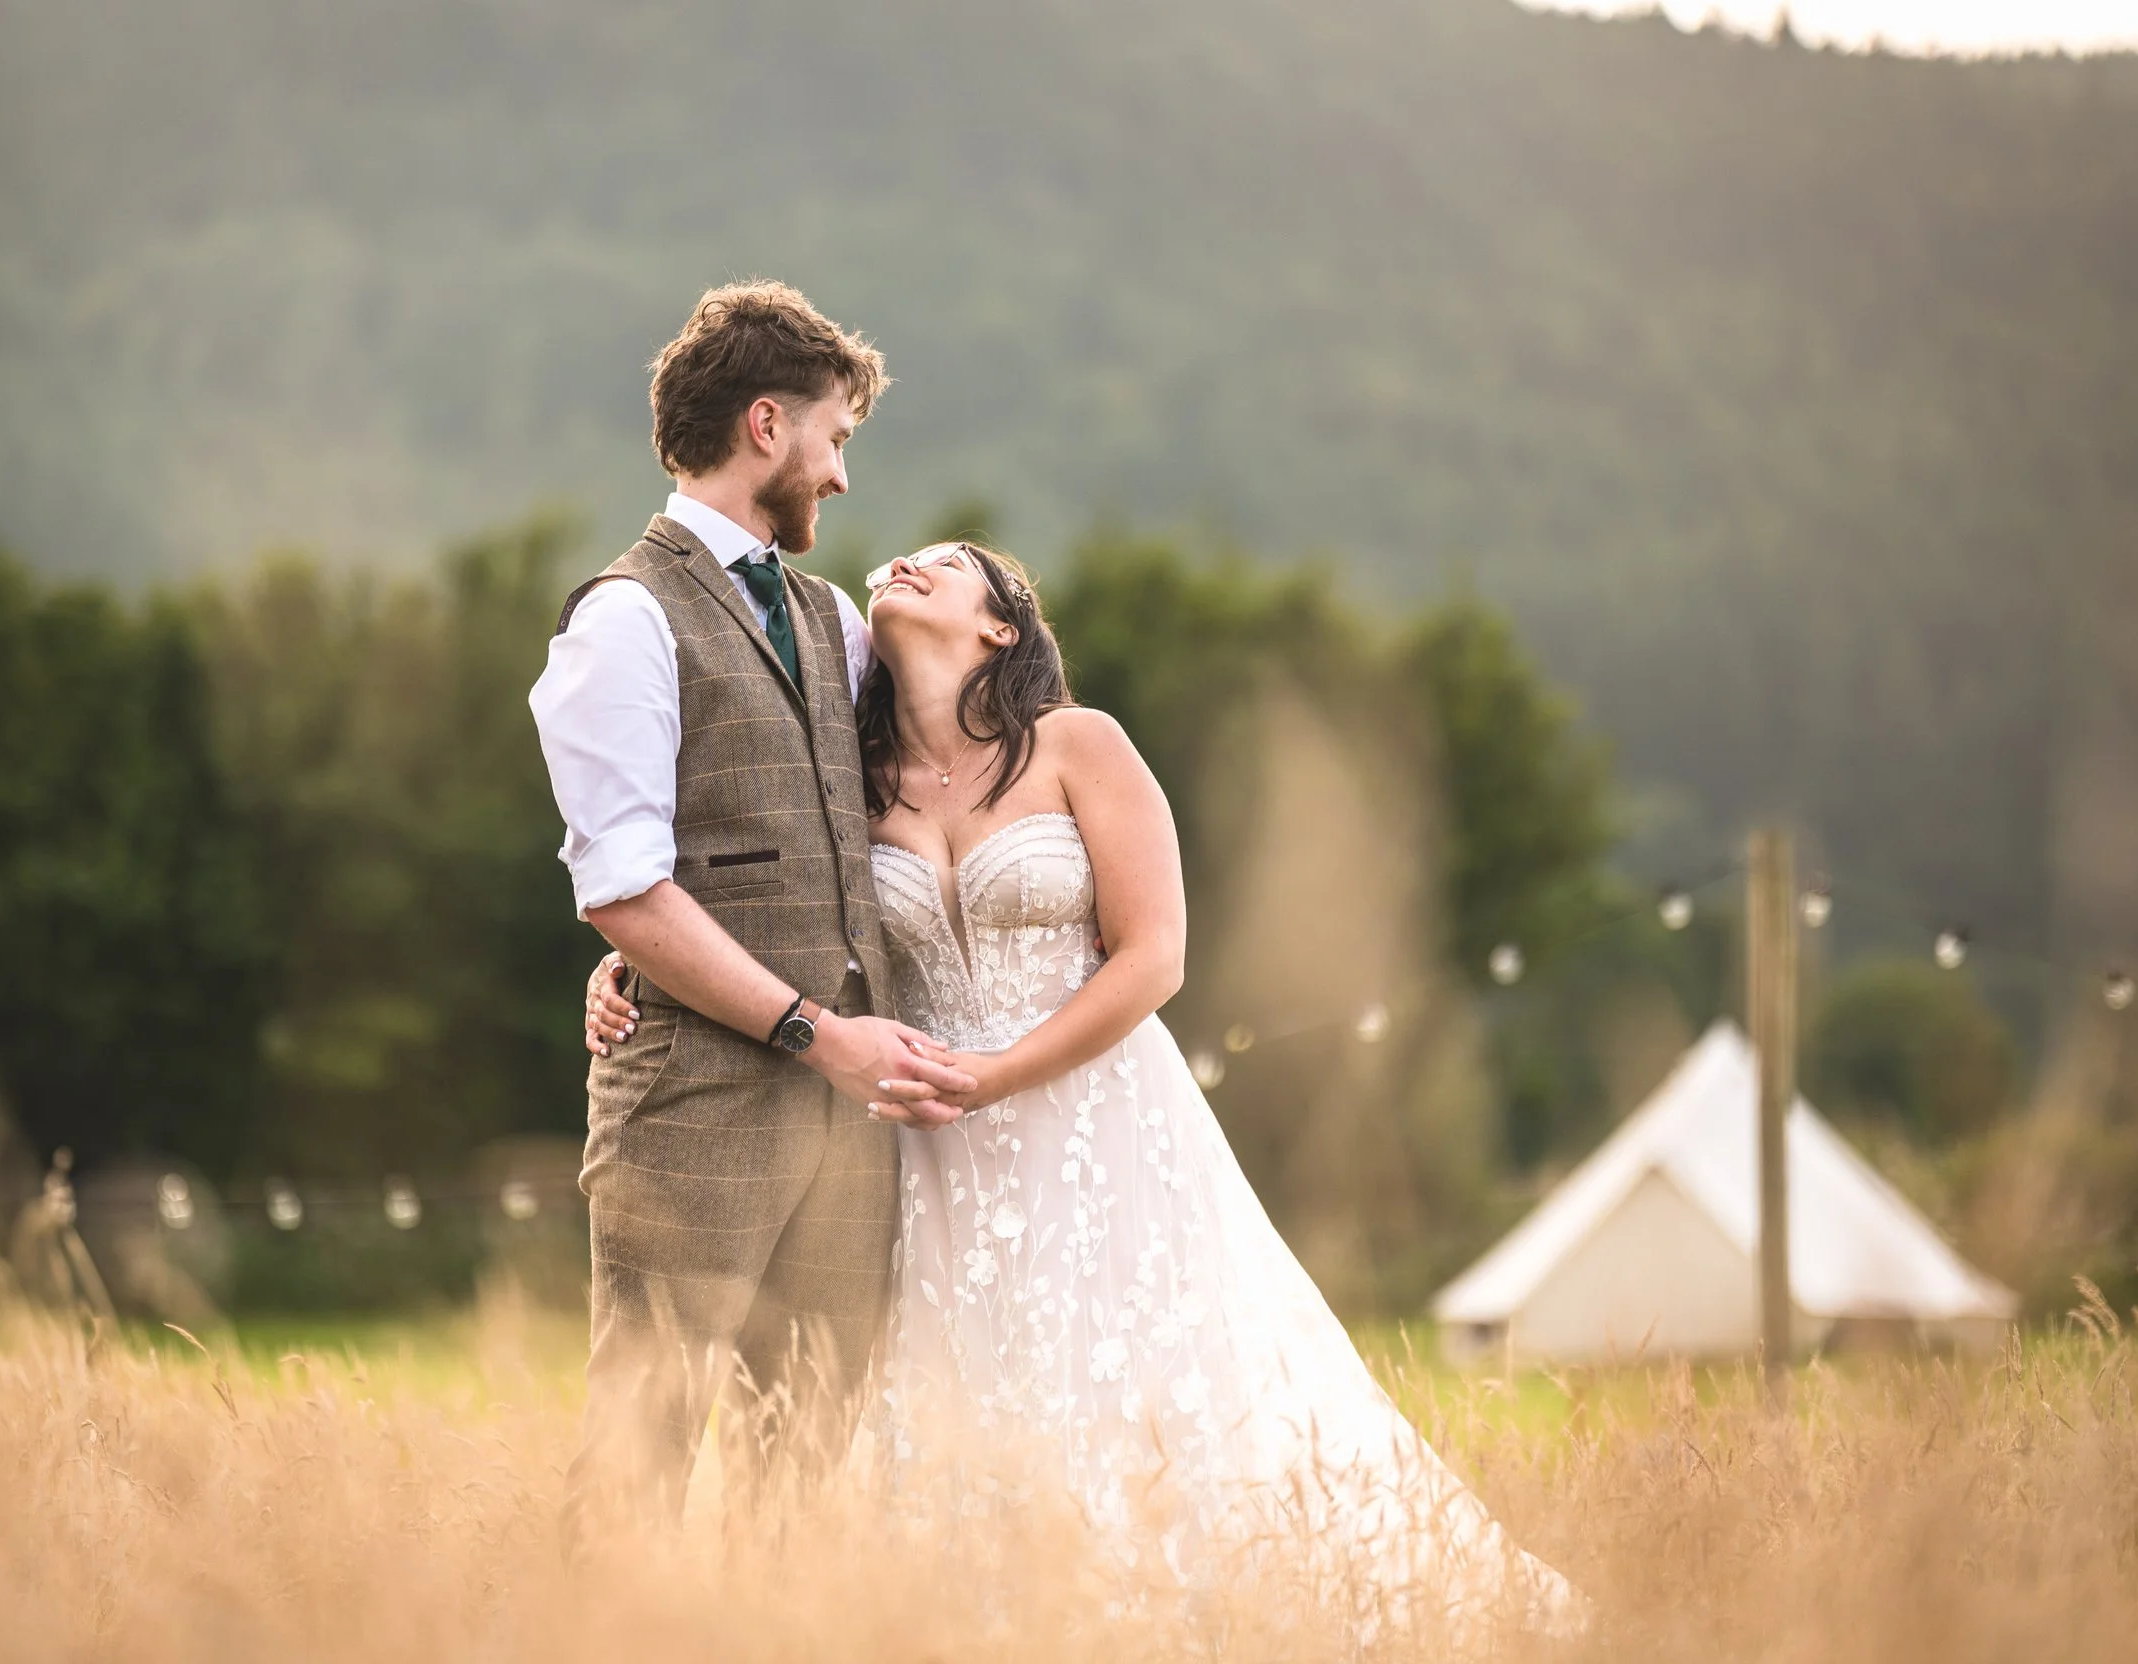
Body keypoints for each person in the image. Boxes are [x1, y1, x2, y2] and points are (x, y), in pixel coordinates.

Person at [580, 539, 1579, 1628]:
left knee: (1148, 1373)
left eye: (948, 562)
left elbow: (1155, 955)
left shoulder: (1074, 745)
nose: (907, 560)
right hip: (927, 1142)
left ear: (1000, 626)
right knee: (962, 1397)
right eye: (907, 557)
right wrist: (632, 960)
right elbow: (761, 899)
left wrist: (1004, 1072)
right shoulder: (849, 785)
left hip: (1097, 1117)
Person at [528, 282, 975, 1553]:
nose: (838, 478)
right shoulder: (621, 618)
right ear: (766, 425)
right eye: (835, 440)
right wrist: (813, 1033)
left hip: (848, 1130)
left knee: (801, 1474)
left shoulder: (831, 620)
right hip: (695, 1111)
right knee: (638, 1456)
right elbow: (622, 885)